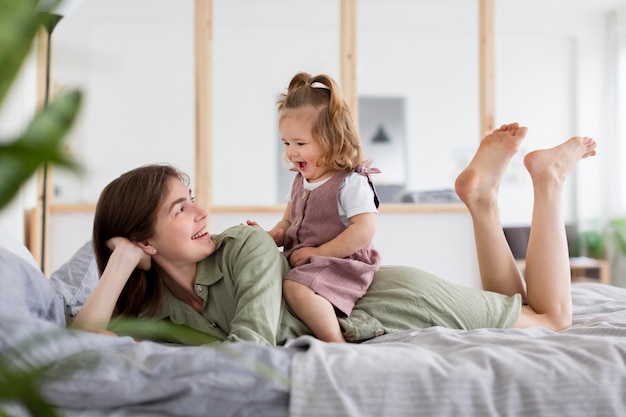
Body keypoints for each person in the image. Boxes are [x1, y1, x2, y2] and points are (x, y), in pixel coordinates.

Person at [71, 122, 597, 346]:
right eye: (181, 208)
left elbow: (252, 346)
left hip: (384, 303)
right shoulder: (161, 308)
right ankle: (480, 199)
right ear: (145, 241)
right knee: (510, 305)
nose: (203, 211)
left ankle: (547, 180)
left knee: (551, 321)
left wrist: (135, 254)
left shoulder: (247, 247)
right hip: (362, 305)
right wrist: (119, 263)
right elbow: (82, 339)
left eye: (192, 199)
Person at [246, 72, 381, 343]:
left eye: (300, 143)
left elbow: (364, 230)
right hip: (304, 259)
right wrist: (273, 235)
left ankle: (336, 342)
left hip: (340, 262)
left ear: (333, 139)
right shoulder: (300, 181)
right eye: (286, 143)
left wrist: (319, 252)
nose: (290, 152)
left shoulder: (350, 182)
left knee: (294, 288)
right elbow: (288, 222)